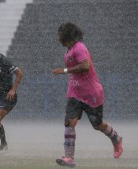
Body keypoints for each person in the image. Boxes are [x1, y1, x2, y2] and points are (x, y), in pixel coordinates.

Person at [52, 22, 123, 167]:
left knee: (97, 125)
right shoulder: (69, 48)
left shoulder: (79, 48)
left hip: (91, 93)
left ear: (66, 36)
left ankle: (116, 139)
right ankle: (69, 158)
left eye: (59, 35)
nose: (58, 38)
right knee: (69, 122)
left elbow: (85, 66)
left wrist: (64, 70)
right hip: (75, 92)